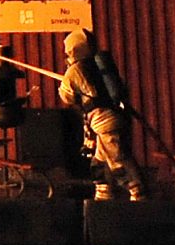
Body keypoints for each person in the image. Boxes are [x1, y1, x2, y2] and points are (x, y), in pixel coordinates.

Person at [58, 28, 144, 201]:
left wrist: (68, 79)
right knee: (99, 162)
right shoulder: (99, 65)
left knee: (118, 162)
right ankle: (102, 195)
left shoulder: (74, 71)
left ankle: (139, 195)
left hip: (103, 123)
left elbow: (66, 97)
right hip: (115, 118)